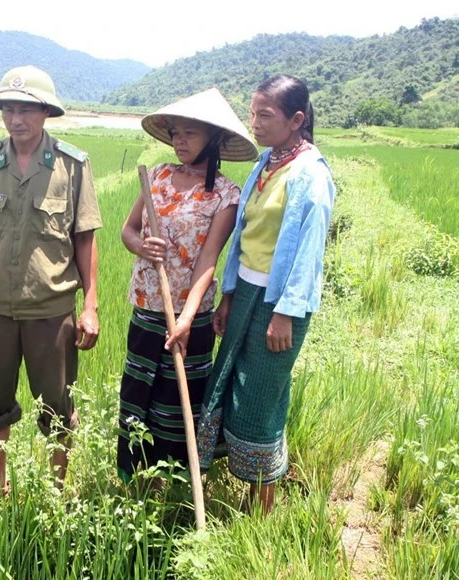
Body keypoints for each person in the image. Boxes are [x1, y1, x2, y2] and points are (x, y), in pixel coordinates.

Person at [0, 65, 101, 494]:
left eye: (27, 109)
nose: (17, 119)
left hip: (51, 310)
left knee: (56, 402)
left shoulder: (72, 166)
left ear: (46, 112)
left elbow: (85, 239)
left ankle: (54, 488)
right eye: (9, 109)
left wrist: (90, 306)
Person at [196, 74, 335, 514]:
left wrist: (286, 314)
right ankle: (247, 496)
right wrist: (230, 295)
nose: (254, 122)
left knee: (261, 398)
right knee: (229, 383)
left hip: (279, 306)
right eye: (252, 112)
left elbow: (309, 254)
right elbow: (244, 237)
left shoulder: (310, 175)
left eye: (265, 115)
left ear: (296, 120)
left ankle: (263, 510)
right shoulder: (265, 163)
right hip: (248, 295)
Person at [117, 88, 258, 485]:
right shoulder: (157, 176)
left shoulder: (226, 195)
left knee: (176, 405)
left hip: (189, 316)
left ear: (213, 139)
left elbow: (208, 262)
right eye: (176, 133)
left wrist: (186, 319)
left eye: (190, 134)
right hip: (147, 306)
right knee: (137, 395)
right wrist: (142, 245)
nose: (180, 141)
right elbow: (127, 231)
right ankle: (135, 483)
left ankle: (174, 486)